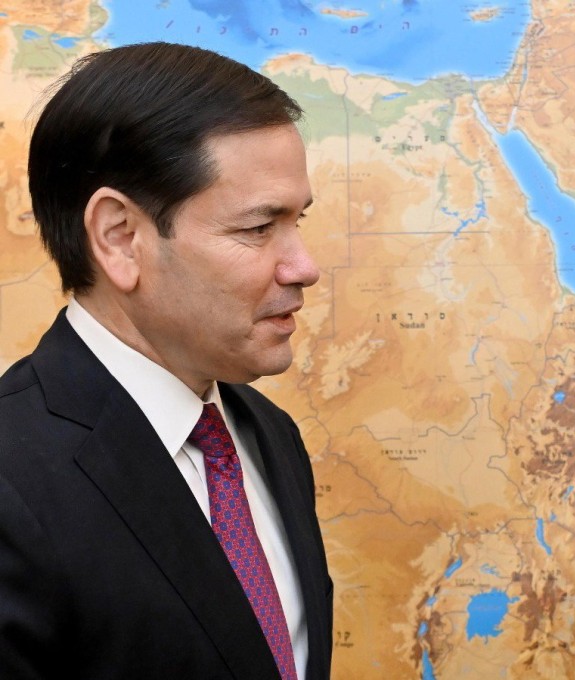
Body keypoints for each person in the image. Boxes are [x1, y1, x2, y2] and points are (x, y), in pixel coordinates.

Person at [0, 42, 332, 679]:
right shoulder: (11, 483)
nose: (304, 267)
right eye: (259, 228)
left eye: (299, 221)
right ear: (121, 238)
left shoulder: (269, 436)